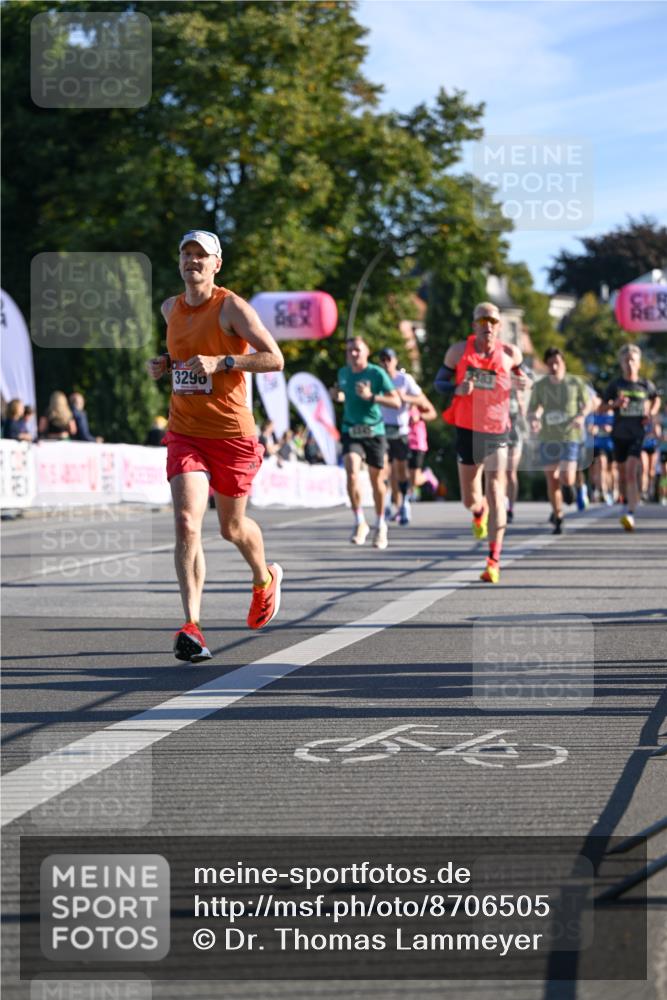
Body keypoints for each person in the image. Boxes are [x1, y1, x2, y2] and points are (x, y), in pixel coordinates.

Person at [146, 228, 285, 663]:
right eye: (186, 254)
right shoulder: (169, 308)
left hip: (231, 435)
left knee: (231, 528)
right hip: (185, 431)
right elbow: (184, 356)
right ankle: (192, 625)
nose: (193, 261)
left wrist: (224, 361)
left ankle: (264, 578)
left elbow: (275, 358)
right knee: (187, 522)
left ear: (216, 264)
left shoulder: (231, 308)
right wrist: (165, 364)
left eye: (201, 255)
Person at [435, 301, 528, 583]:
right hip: (467, 427)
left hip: (497, 429)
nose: (488, 326)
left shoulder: (511, 353)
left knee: (496, 488)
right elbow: (439, 382)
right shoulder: (457, 352)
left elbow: (525, 378)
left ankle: (493, 560)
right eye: (483, 320)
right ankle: (478, 512)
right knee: (470, 498)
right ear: (474, 325)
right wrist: (456, 388)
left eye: (493, 321)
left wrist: (525, 383)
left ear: (499, 326)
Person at [330, 336, 400, 549]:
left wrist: (371, 397)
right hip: (351, 429)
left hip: (374, 431)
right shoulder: (343, 373)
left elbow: (396, 401)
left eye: (357, 350)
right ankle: (360, 521)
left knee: (376, 480)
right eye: (349, 350)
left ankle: (380, 523)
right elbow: (344, 394)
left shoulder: (376, 373)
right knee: (351, 471)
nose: (353, 354)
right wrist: (337, 396)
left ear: (367, 352)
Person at [527, 348, 590, 535]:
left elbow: (587, 404)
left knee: (566, 477)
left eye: (557, 363)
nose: (554, 367)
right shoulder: (540, 386)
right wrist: (534, 420)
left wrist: (581, 416)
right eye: (550, 364)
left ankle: (569, 486)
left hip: (570, 435)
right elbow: (532, 409)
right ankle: (558, 516)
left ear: (564, 363)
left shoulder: (575, 382)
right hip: (548, 437)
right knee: (552, 479)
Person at [602, 343, 661, 531]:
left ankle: (630, 513)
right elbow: (601, 407)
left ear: (639, 363)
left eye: (633, 360)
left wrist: (651, 412)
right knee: (621, 474)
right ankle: (625, 503)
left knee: (630, 471)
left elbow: (656, 398)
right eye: (626, 360)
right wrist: (615, 404)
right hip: (619, 434)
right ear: (621, 363)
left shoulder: (645, 384)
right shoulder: (615, 385)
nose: (629, 364)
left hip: (637, 434)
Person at [377, 347, 424, 525]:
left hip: (400, 430)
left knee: (401, 470)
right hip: (381, 429)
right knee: (383, 468)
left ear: (395, 360)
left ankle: (404, 502)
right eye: (382, 359)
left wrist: (405, 397)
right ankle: (387, 503)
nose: (386, 363)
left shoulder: (404, 379)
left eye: (388, 359)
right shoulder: (377, 378)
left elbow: (420, 399)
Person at [407, 396, 437, 500]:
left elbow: (433, 413)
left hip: (416, 442)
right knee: (401, 473)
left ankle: (427, 475)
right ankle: (405, 502)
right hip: (403, 440)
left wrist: (419, 416)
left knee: (414, 479)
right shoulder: (395, 394)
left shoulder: (417, 396)